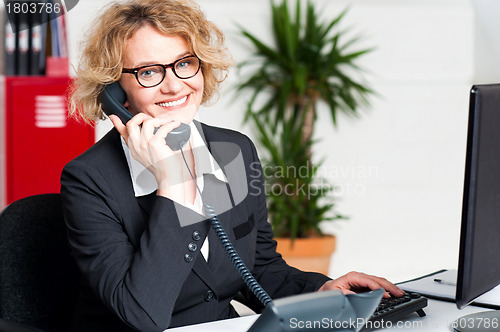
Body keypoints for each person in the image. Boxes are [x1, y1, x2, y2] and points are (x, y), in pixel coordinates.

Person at [61, 0, 404, 331]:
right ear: (114, 90)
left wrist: (320, 292)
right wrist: (174, 180)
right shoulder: (90, 180)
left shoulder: (233, 151)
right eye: (149, 72)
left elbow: (259, 266)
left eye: (184, 63)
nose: (174, 85)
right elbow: (142, 313)